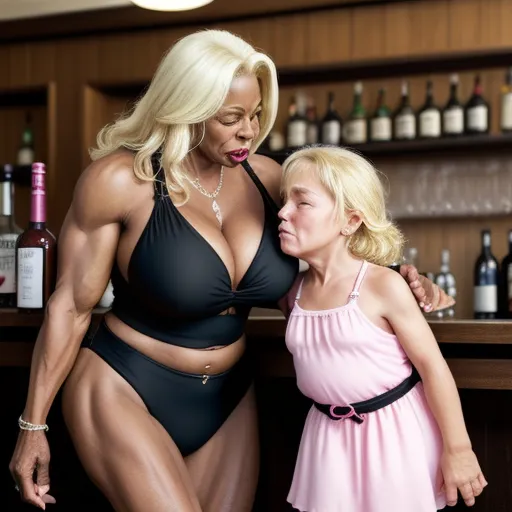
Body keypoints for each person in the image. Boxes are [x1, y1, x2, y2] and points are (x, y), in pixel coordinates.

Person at [9, 30, 450, 512]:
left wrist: (404, 274)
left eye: (257, 113)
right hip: (124, 383)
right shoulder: (119, 182)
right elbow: (70, 306)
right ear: (186, 108)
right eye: (231, 118)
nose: (249, 130)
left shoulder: (271, 179)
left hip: (228, 396)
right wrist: (33, 426)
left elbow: (341, 240)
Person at [278, 145, 487, 512]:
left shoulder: (382, 285)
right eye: (284, 201)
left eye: (302, 203)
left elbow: (433, 368)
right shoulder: (293, 292)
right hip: (326, 438)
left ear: (351, 220)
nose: (282, 213)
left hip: (392, 436)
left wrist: (459, 449)